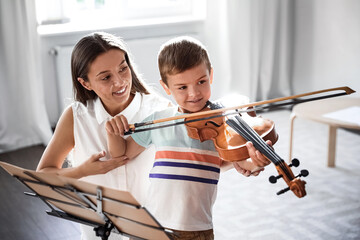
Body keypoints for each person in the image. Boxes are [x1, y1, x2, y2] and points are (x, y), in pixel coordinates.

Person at [105, 36, 272, 239]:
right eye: (182, 87)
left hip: (195, 229)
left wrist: (257, 162)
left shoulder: (223, 125)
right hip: (152, 223)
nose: (194, 93)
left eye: (201, 81)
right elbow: (121, 154)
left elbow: (241, 162)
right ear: (166, 87)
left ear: (210, 75)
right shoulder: (159, 121)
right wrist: (112, 132)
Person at [36, 32, 172, 240]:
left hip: (153, 228)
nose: (119, 82)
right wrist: (83, 170)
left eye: (123, 69)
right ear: (85, 83)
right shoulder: (76, 117)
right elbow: (43, 175)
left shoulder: (159, 110)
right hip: (98, 234)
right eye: (106, 77)